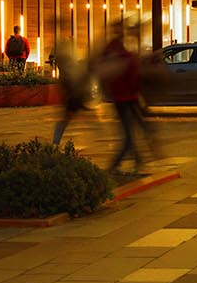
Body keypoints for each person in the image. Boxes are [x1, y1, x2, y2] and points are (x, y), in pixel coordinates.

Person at [99, 21, 148, 176]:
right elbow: (126, 69)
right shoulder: (115, 49)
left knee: (134, 129)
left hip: (128, 96)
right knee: (129, 133)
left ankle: (138, 160)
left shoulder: (119, 47)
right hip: (123, 97)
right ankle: (114, 166)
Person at [49, 34, 90, 147]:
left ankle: (55, 142)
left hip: (70, 90)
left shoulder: (62, 58)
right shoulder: (67, 59)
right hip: (72, 91)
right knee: (66, 117)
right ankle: (55, 142)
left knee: (66, 117)